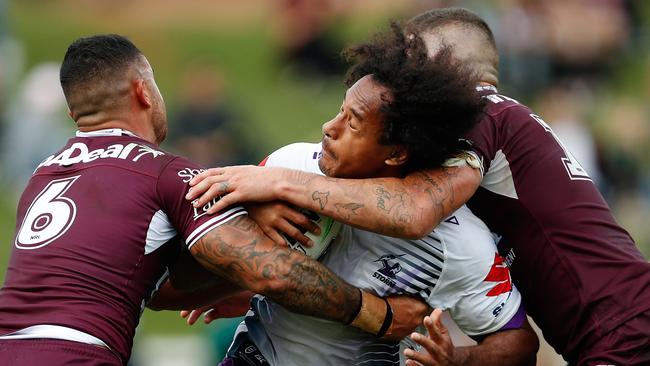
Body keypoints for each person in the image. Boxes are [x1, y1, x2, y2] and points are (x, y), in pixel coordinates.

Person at [186, 8, 650, 366]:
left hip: (626, 330)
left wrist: (278, 182)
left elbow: (411, 213)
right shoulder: (492, 127)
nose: (395, 75)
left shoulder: (479, 109)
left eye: (409, 62)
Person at [0, 34, 426, 366]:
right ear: (143, 91)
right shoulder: (162, 171)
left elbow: (148, 283)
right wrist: (379, 315)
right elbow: (273, 273)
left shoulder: (44, 176)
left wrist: (233, 277)